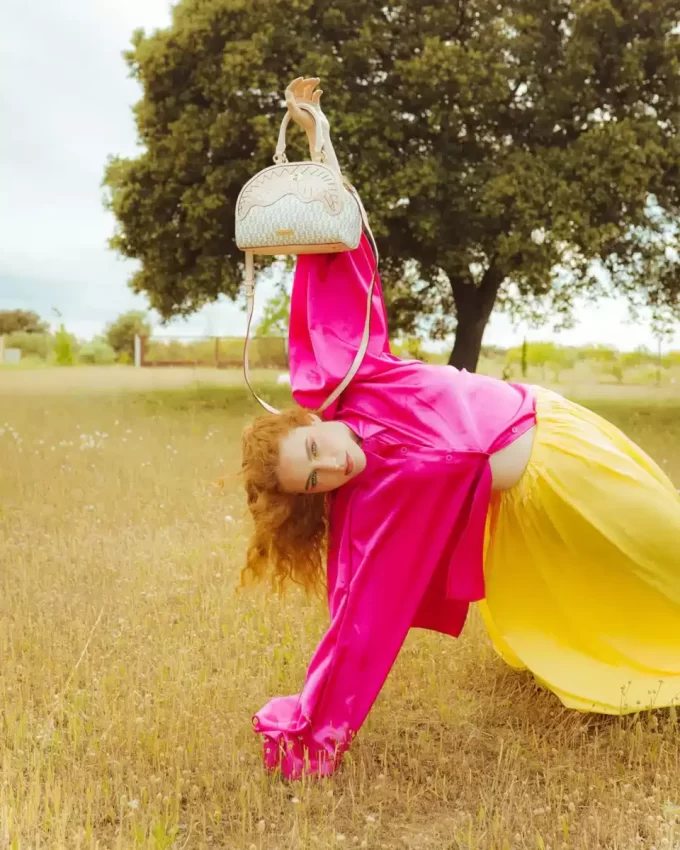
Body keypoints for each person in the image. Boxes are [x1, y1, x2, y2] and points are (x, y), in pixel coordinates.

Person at [241, 77, 680, 780]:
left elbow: (336, 255)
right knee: (597, 595)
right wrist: (315, 735)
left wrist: (318, 141)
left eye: (316, 449)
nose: (334, 468)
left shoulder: (357, 375)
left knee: (664, 544)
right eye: (316, 481)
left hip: (563, 444)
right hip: (528, 509)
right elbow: (356, 630)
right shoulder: (368, 510)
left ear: (313, 420)